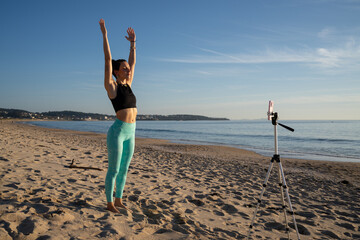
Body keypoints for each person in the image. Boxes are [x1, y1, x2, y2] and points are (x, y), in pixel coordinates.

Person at [99, 18, 137, 213]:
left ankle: (119, 199)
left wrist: (132, 44)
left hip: (131, 132)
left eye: (128, 68)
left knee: (124, 170)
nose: (128, 69)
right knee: (113, 170)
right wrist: (105, 35)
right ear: (116, 71)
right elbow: (107, 60)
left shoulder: (128, 84)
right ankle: (109, 203)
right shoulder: (112, 87)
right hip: (118, 133)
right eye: (124, 68)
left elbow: (132, 62)